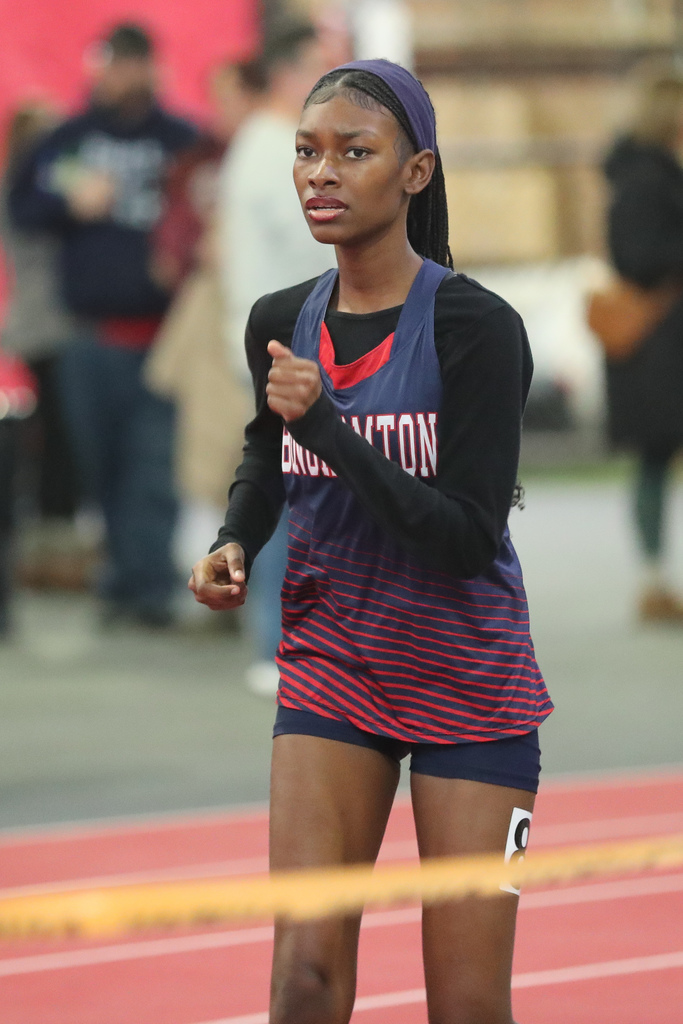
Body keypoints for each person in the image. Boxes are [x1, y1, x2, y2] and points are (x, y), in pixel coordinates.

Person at [191, 60, 553, 1024]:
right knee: (302, 981)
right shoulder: (281, 321)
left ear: (415, 173)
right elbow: (265, 465)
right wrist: (235, 539)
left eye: (355, 152)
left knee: (468, 1006)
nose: (322, 174)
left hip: (471, 686)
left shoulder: (478, 329)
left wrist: (329, 431)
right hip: (332, 670)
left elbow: (466, 539)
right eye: (308, 152)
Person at [8, 22, 196, 627]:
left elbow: (208, 209)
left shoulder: (181, 141)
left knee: (152, 466)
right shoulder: (70, 141)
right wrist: (68, 199)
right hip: (86, 336)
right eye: (110, 66)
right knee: (101, 466)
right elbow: (21, 206)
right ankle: (119, 580)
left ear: (150, 67)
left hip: (163, 335)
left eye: (129, 65)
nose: (119, 77)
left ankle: (148, 588)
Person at [218, 19, 337, 691]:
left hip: (283, 337)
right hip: (282, 343)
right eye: (319, 69)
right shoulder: (271, 150)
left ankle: (289, 640)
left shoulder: (265, 146)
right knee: (287, 494)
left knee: (297, 491)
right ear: (289, 74)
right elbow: (313, 239)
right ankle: (275, 643)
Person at [604, 74, 683, 623]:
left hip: (665, 344)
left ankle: (655, 580)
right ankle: (653, 582)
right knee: (655, 459)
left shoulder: (648, 173)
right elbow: (637, 255)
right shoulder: (645, 179)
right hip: (659, 348)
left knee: (656, 461)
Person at [0, 103, 85, 589]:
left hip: (36, 327)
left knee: (50, 443)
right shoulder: (31, 195)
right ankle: (51, 549)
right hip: (43, 327)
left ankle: (51, 545)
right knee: (53, 444)